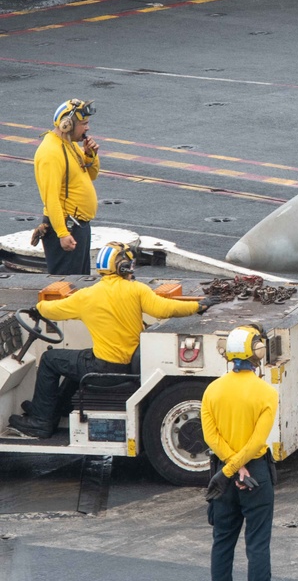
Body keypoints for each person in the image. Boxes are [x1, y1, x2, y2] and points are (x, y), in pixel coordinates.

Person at [7, 242, 219, 439]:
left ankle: (41, 421)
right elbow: (165, 308)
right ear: (124, 266)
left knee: (50, 359)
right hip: (128, 366)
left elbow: (51, 309)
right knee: (73, 361)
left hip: (103, 369)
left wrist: (38, 309)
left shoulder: (86, 296)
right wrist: (199, 305)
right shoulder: (136, 290)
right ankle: (52, 408)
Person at [202, 325, 294, 581]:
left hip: (221, 475)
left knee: (222, 542)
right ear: (256, 353)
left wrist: (227, 468)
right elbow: (257, 443)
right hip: (253, 474)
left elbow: (210, 436)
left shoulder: (211, 391)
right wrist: (238, 469)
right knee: (256, 545)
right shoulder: (266, 393)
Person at [34, 99, 101, 275]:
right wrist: (62, 234)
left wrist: (90, 155)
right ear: (67, 124)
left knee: (81, 284)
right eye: (84, 124)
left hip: (79, 227)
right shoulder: (51, 152)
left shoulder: (69, 145)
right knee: (66, 287)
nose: (87, 128)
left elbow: (91, 175)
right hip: (67, 227)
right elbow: (51, 198)